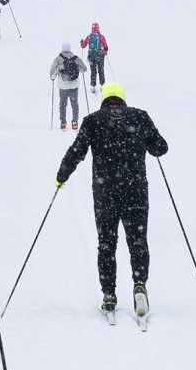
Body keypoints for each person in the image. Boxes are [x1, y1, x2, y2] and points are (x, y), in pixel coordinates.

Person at [56, 81, 167, 321]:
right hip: (136, 190)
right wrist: (145, 140)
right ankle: (139, 285)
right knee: (138, 241)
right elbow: (160, 148)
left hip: (105, 192)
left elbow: (77, 151)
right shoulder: (139, 116)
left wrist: (61, 176)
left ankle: (109, 294)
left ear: (104, 99)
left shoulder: (93, 121)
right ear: (122, 98)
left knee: (106, 244)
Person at [50, 42, 85, 129]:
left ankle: (63, 122)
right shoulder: (76, 58)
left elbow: (52, 74)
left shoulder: (58, 59)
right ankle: (75, 121)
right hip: (74, 85)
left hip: (63, 86)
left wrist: (54, 76)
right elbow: (84, 69)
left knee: (62, 104)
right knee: (74, 104)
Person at [79, 22, 110, 90]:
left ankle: (93, 86)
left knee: (93, 71)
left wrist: (81, 42)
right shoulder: (101, 37)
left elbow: (83, 45)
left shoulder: (89, 36)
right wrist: (104, 51)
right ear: (98, 28)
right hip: (100, 56)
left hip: (91, 56)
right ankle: (102, 85)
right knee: (101, 70)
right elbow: (105, 47)